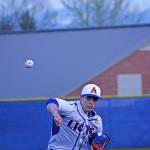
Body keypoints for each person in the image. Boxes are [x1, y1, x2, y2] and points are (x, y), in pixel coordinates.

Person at [46, 83, 108, 150]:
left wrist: (97, 141)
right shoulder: (70, 108)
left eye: (94, 99)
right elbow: (52, 102)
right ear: (81, 97)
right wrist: (56, 114)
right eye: (89, 98)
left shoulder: (97, 120)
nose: (91, 102)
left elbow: (92, 140)